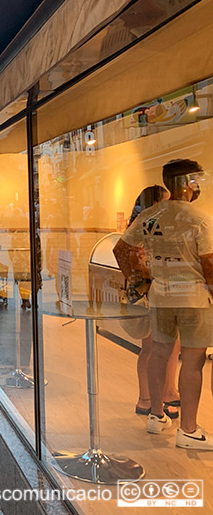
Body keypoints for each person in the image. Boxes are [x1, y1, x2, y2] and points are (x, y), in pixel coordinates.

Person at [114, 160, 213, 450]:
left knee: (158, 353)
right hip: (194, 299)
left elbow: (121, 249)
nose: (199, 185)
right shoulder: (200, 218)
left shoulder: (149, 215)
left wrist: (141, 279)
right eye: (196, 180)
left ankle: (156, 416)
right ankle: (189, 430)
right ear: (186, 183)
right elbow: (209, 263)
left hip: (160, 296)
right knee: (193, 361)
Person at [122, 186, 181, 419]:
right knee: (156, 347)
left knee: (163, 347)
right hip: (151, 292)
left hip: (155, 291)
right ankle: (156, 396)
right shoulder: (146, 226)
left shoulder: (144, 225)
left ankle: (156, 396)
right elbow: (128, 256)